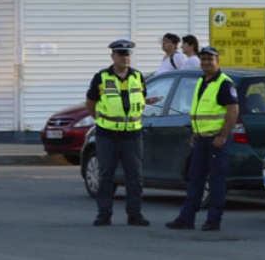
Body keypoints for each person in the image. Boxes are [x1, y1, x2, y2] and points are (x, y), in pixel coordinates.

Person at [166, 45, 239, 231]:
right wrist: (195, 132)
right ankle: (186, 219)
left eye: (210, 59)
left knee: (215, 181)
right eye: (203, 59)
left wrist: (223, 136)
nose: (206, 62)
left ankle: (213, 220)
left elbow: (233, 111)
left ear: (217, 61)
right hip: (201, 139)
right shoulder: (202, 81)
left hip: (216, 140)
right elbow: (200, 111)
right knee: (195, 179)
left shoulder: (224, 83)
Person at [85, 39, 150, 227]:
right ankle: (104, 214)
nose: (125, 58)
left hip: (132, 134)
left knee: (134, 176)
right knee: (106, 175)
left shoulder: (137, 76)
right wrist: (100, 119)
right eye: (121, 54)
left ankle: (135, 214)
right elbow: (90, 103)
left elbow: (142, 100)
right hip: (108, 134)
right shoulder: (101, 77)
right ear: (112, 56)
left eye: (127, 54)